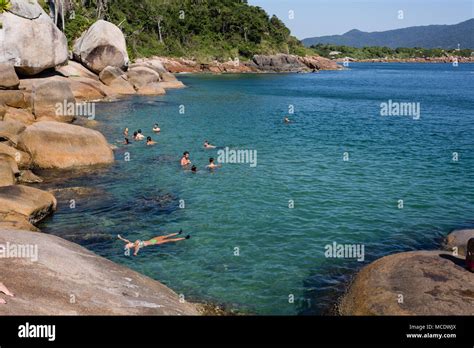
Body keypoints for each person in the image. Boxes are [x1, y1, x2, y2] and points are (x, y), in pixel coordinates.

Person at [117, 232, 190, 256]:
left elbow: (126, 240)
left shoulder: (132, 243)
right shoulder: (136, 246)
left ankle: (178, 233)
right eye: (127, 245)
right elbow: (137, 249)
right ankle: (185, 238)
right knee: (169, 240)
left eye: (127, 244)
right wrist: (135, 253)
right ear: (129, 247)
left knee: (165, 236)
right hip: (154, 243)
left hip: (152, 240)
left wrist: (120, 238)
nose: (127, 244)